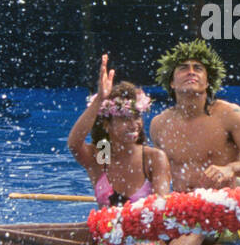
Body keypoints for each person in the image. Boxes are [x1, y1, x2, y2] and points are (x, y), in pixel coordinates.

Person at [149, 39, 240, 193]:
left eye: (198, 68)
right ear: (172, 83)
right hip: (181, 205)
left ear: (207, 82)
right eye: (183, 68)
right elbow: (161, 174)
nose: (191, 72)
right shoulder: (159, 124)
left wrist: (231, 168)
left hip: (222, 205)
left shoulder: (230, 115)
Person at [67, 54, 170, 209]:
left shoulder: (153, 158)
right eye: (124, 119)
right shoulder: (101, 157)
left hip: (145, 232)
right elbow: (74, 144)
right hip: (105, 232)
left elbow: (160, 209)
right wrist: (99, 100)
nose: (133, 125)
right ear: (107, 125)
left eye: (136, 117)